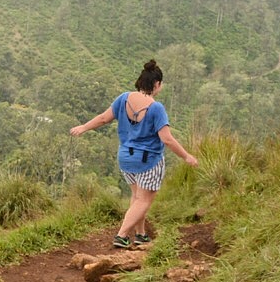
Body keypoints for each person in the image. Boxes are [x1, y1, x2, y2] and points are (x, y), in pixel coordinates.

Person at [69, 59, 199, 249]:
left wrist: (84, 127)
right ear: (157, 84)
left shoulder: (123, 98)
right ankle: (121, 235)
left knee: (137, 196)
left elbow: (104, 118)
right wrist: (187, 156)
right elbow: (167, 139)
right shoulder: (156, 108)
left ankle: (141, 234)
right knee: (144, 200)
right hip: (148, 161)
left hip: (125, 158)